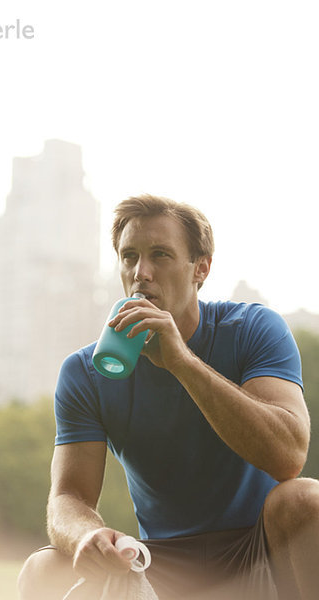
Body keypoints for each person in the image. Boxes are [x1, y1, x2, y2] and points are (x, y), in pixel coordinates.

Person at [18, 194, 319, 599]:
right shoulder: (85, 372)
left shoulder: (253, 329)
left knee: (304, 501)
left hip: (259, 556)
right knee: (46, 568)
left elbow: (289, 457)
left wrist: (182, 362)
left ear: (201, 268)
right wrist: (87, 536)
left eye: (160, 255)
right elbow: (68, 496)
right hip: (160, 565)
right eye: (129, 257)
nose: (141, 272)